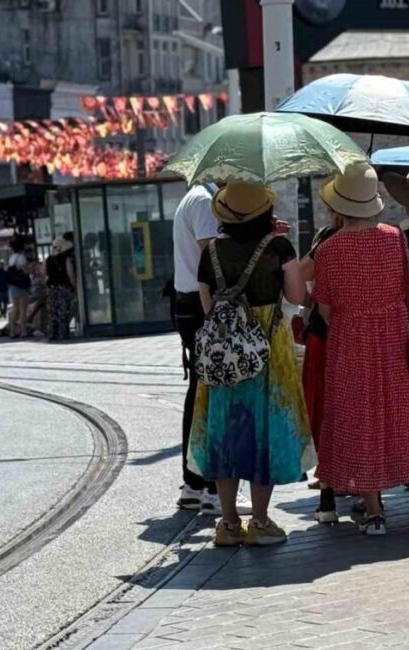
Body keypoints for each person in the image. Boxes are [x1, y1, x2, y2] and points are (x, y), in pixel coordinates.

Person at [312, 162, 409, 536]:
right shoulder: (395, 238)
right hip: (394, 339)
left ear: (339, 206)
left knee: (361, 423)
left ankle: (374, 514)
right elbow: (405, 286)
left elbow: (324, 307)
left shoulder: (329, 250)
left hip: (351, 342)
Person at [187, 181, 314, 547]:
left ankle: (228, 523)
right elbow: (296, 296)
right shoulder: (278, 247)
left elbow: (208, 307)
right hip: (269, 352)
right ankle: (260, 521)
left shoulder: (210, 252)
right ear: (265, 212)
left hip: (223, 356)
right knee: (266, 431)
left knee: (225, 433)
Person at [171, 183, 221, 513]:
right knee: (214, 393)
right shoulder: (204, 201)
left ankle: (193, 483)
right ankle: (215, 489)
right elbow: (211, 257)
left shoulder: (193, 197)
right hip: (202, 305)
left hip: (187, 303)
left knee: (199, 391)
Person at [297, 211, 342, 519]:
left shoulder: (326, 240)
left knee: (326, 408)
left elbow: (302, 275)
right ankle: (368, 491)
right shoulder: (386, 237)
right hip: (363, 334)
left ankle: (328, 493)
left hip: (325, 336)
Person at [45, 236, 77, 341]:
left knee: (52, 311)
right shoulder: (66, 259)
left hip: (51, 288)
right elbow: (70, 274)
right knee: (63, 311)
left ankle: (52, 333)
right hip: (63, 287)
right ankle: (62, 333)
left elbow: (44, 273)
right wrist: (74, 286)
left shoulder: (48, 260)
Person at [7, 236, 31, 338]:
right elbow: (25, 271)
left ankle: (12, 331)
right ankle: (23, 331)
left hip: (13, 285)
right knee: (23, 309)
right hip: (22, 285)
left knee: (15, 308)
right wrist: (30, 268)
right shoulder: (21, 257)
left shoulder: (11, 258)